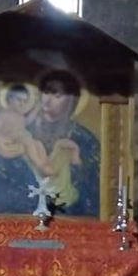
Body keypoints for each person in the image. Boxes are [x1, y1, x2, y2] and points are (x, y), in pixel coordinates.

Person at [29, 70, 100, 217]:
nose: (47, 100)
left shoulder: (84, 138)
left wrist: (76, 160)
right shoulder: (25, 132)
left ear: (71, 100)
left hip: (71, 212)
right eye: (45, 92)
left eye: (57, 95)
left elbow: (93, 182)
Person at [0, 83, 46, 213]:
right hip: (7, 144)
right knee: (29, 144)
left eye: (25, 101)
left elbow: (28, 121)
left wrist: (37, 108)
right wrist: (7, 136)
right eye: (19, 100)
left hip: (19, 146)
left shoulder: (21, 116)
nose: (22, 104)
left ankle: (42, 165)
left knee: (35, 145)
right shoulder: (5, 114)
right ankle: (41, 164)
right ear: (9, 99)